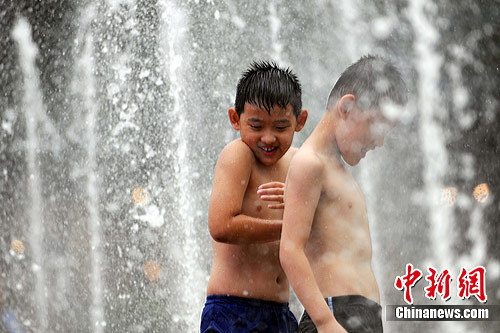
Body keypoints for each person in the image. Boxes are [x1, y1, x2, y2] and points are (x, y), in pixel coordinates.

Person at [279, 55, 408, 333]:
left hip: (358, 315)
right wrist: (325, 323)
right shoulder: (310, 163)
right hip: (336, 315)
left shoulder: (334, 168)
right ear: (347, 106)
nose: (380, 142)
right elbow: (290, 250)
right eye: (377, 128)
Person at [201, 61, 308, 333]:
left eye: (281, 127)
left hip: (281, 313)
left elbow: (325, 227)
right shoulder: (238, 154)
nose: (268, 138)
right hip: (234, 310)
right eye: (257, 125)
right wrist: (288, 228)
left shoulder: (298, 164)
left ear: (300, 122)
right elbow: (221, 225)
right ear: (235, 119)